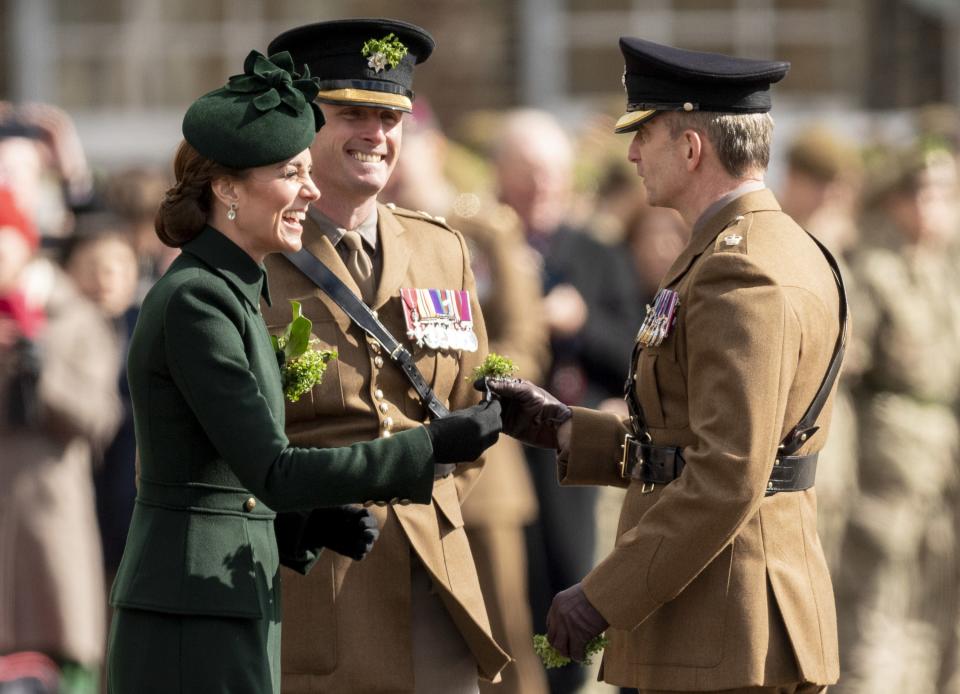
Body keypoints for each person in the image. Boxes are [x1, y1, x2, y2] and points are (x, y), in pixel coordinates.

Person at [104, 50, 502, 694]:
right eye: (292, 173)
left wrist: (298, 525)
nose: (310, 189)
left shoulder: (227, 289)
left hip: (227, 591)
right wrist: (427, 447)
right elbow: (271, 469)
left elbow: (220, 470)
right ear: (228, 189)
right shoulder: (199, 298)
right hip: (195, 609)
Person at [485, 37, 843, 693]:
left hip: (728, 625)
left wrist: (601, 595)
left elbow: (728, 473)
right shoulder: (743, 249)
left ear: (690, 146)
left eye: (643, 133)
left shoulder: (743, 269)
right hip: (716, 616)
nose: (630, 154)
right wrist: (569, 428)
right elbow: (691, 437)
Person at [261, 19, 510, 694]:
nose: (375, 133)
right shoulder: (251, 258)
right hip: (312, 588)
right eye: (351, 114)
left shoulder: (441, 250)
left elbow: (472, 412)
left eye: (390, 115)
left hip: (433, 580)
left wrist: (426, 511)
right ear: (302, 124)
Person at [381, 102, 551, 694]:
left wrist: (465, 388)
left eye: (408, 143)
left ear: (435, 150)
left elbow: (526, 341)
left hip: (483, 470)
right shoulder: (371, 233)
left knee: (501, 639)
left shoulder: (483, 229)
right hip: (398, 474)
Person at [494, 108, 644, 694]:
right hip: (504, 451)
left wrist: (578, 324)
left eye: (553, 172)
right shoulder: (478, 244)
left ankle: (566, 681)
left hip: (573, 450)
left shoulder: (596, 252)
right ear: (501, 174)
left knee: (572, 577)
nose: (542, 185)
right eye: (529, 171)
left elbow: (633, 351)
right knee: (512, 590)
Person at [834, 142, 960, 694]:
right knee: (875, 607)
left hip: (942, 458)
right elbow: (843, 373)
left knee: (936, 606)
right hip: (887, 460)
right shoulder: (871, 267)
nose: (933, 206)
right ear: (894, 199)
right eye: (921, 192)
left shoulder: (945, 268)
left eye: (944, 193)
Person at [0, 185, 119, 694]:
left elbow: (98, 417)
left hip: (52, 517)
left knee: (66, 659)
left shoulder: (72, 316)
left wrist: (38, 369)